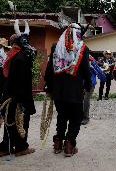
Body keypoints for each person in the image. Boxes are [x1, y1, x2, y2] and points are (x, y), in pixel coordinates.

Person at [44, 23, 92, 157]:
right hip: (75, 91)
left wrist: (49, 85)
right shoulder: (82, 48)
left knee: (62, 116)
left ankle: (58, 143)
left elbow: (49, 69)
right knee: (76, 117)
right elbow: (86, 71)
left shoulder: (55, 47)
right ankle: (69, 145)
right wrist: (88, 85)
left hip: (58, 91)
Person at [0, 20, 36, 157]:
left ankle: (5, 147)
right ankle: (20, 147)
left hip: (9, 94)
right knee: (18, 122)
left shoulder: (12, 55)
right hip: (18, 97)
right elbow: (22, 81)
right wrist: (21, 100)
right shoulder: (21, 57)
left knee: (10, 122)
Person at [81, 56, 106, 125]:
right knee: (79, 99)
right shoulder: (76, 57)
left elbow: (98, 70)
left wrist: (103, 78)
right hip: (80, 83)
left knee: (86, 99)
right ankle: (80, 116)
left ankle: (86, 117)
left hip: (90, 83)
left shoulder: (90, 60)